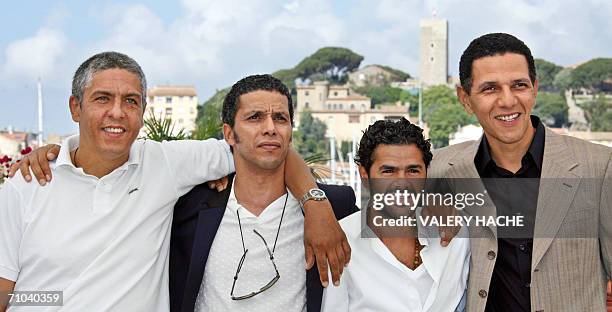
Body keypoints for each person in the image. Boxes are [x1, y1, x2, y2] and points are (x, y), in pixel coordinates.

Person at [0, 53, 350, 311]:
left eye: (131, 101)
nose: (118, 112)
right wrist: (49, 299)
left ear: (143, 112)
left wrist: (315, 203)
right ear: (75, 108)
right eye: (102, 99)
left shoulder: (165, 164)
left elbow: (264, 146)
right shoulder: (26, 184)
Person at [429, 33, 612, 311]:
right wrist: (334, 218)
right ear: (465, 99)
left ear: (535, 88)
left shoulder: (599, 167)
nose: (508, 101)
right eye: (490, 89)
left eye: (519, 85)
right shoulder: (440, 170)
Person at [169, 74, 358, 312]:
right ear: (229, 133)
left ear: (290, 131)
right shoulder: (189, 206)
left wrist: (315, 202)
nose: (270, 128)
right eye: (255, 118)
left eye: (280, 118)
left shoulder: (337, 207)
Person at [321, 118, 470, 312]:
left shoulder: (457, 235)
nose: (402, 183)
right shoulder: (340, 242)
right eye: (388, 171)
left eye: (413, 170)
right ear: (364, 174)